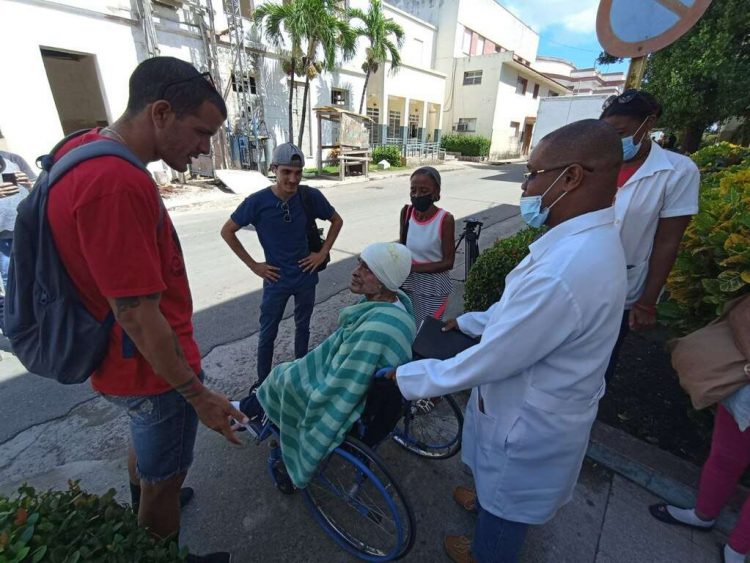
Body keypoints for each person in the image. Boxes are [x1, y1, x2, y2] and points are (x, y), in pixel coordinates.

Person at [382, 120, 627, 562]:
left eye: (533, 173)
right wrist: (471, 321)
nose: (526, 186)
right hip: (529, 403)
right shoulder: (579, 242)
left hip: (529, 421)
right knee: (497, 486)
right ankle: (485, 507)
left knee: (510, 504)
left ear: (571, 177)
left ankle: (487, 551)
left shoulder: (568, 267)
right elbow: (519, 313)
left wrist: (409, 377)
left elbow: (495, 358)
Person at [46, 56, 246, 563]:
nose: (205, 148)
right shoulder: (118, 183)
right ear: (160, 113)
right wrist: (196, 394)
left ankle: (152, 496)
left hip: (126, 364)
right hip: (152, 374)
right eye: (201, 132)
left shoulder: (85, 147)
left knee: (151, 458)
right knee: (163, 485)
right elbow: (137, 313)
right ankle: (159, 537)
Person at [233, 242, 416, 488]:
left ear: (384, 280)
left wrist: (307, 378)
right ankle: (251, 408)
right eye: (359, 263)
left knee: (281, 377)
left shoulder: (376, 330)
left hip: (356, 399)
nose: (355, 271)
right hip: (375, 389)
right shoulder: (399, 307)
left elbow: (342, 386)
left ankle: (251, 411)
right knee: (291, 370)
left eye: (367, 269)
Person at [221, 142, 343, 386]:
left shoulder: (310, 197)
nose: (292, 179)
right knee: (268, 333)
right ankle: (263, 383)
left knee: (303, 326)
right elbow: (227, 231)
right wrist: (255, 266)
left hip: (305, 277)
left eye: (297, 173)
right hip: (275, 280)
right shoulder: (257, 202)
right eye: (286, 172)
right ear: (274, 169)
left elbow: (336, 220)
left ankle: (300, 374)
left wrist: (321, 254)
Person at [600, 90, 699, 383]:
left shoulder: (677, 171)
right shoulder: (601, 162)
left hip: (623, 285)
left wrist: (647, 301)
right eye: (607, 132)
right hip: (576, 276)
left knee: (601, 361)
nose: (614, 140)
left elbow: (668, 241)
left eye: (620, 132)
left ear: (649, 123)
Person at [649, 297, 750, 563]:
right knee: (724, 457)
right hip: (744, 395)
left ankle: (737, 550)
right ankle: (702, 515)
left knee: (725, 457)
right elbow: (741, 312)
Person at [399, 166, 455, 327]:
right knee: (408, 327)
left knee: (426, 331)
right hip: (408, 283)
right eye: (413, 190)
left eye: (424, 191)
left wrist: (413, 268)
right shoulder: (407, 213)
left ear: (436, 192)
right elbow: (402, 247)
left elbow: (448, 262)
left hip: (433, 287)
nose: (417, 196)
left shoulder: (445, 219)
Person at [0, 150, 36, 332]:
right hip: (1, 235)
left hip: (23, 228)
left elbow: (36, 185)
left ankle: (34, 316)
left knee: (34, 272)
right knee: (11, 277)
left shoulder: (13, 159)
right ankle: (20, 322)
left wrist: (29, 184)